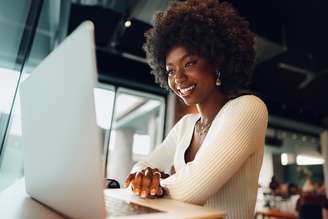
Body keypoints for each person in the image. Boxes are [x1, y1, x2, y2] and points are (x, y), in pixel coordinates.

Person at [123, 0, 268, 218]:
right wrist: (142, 176)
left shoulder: (249, 108)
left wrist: (151, 184)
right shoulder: (185, 126)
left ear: (217, 61)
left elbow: (192, 188)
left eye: (189, 63)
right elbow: (140, 167)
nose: (178, 78)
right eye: (170, 71)